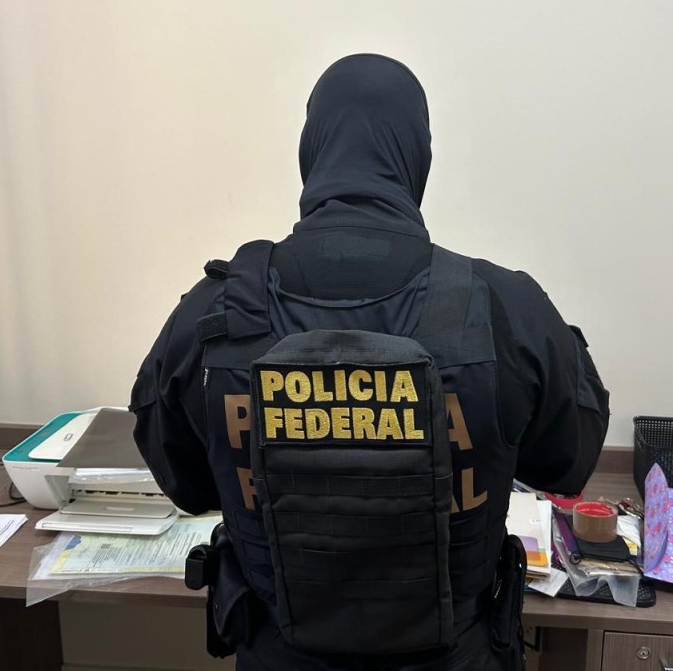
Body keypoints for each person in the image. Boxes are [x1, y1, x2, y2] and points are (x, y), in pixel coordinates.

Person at [130, 53, 610, 670]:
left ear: (311, 150)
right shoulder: (502, 307)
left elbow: (187, 487)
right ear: (418, 156)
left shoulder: (216, 313)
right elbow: (568, 464)